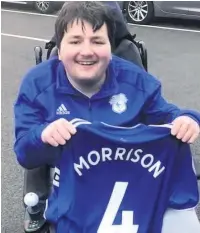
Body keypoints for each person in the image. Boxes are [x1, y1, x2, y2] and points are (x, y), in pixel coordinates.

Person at [14, 1, 200, 233]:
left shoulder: (137, 81)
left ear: (110, 49)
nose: (87, 51)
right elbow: (24, 152)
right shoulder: (37, 84)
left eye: (97, 41)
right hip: (74, 181)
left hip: (129, 174)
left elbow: (170, 115)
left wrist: (188, 119)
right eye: (75, 41)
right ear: (59, 50)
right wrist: (43, 135)